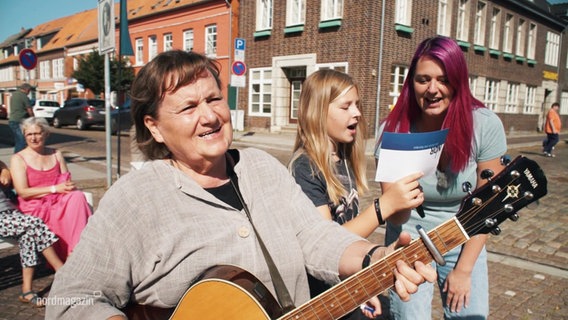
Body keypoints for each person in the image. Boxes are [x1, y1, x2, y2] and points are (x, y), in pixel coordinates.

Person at [45, 50, 435, 320]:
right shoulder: (133, 199)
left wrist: (375, 259)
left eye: (214, 99)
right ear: (154, 127)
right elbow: (69, 299)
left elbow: (315, 236)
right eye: (188, 107)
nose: (210, 116)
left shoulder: (261, 167)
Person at [374, 36, 507, 319]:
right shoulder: (394, 130)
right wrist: (401, 197)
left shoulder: (484, 124)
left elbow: (490, 204)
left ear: (458, 80)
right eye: (423, 79)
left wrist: (464, 269)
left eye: (443, 79)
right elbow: (395, 217)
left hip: (466, 230)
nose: (433, 89)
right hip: (411, 234)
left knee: (470, 314)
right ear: (411, 83)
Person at [289, 69, 425, 319]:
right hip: (322, 295)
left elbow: (357, 228)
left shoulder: (342, 159)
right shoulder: (305, 168)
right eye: (346, 106)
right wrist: (383, 206)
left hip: (345, 281)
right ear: (318, 112)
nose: (357, 113)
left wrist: (402, 201)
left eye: (358, 105)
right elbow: (324, 242)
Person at [10, 117, 92, 261]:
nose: (34, 138)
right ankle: (71, 256)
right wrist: (54, 189)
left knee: (77, 196)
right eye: (29, 134)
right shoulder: (18, 159)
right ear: (24, 136)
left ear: (46, 134)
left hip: (57, 200)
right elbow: (23, 192)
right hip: (34, 205)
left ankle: (75, 251)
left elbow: (66, 182)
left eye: (37, 133)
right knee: (67, 209)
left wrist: (67, 187)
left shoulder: (56, 154)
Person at [0, 160, 64, 307]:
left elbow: (3, 165)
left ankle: (26, 291)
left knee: (28, 235)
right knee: (34, 223)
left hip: (11, 213)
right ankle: (60, 268)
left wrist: (4, 171)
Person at [8, 83, 34, 153]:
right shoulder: (23, 96)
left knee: (18, 140)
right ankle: (18, 157)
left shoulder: (14, 94)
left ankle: (18, 156)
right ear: (26, 89)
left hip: (12, 120)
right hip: (19, 120)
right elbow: (29, 109)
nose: (29, 92)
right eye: (29, 91)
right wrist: (33, 118)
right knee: (22, 141)